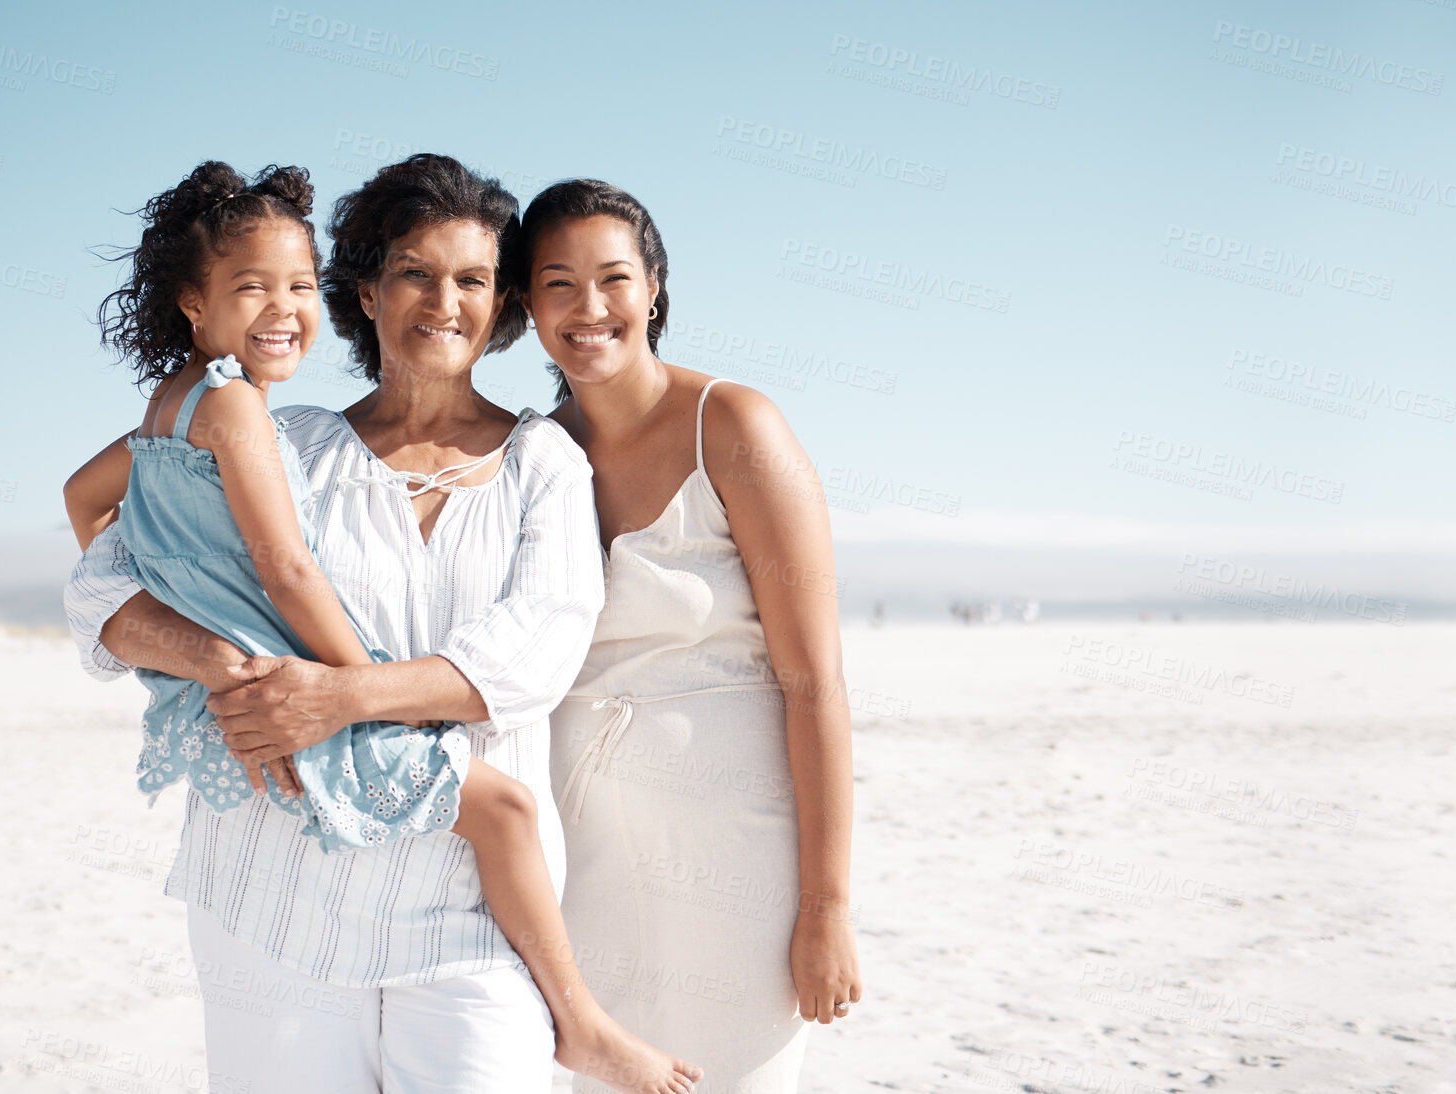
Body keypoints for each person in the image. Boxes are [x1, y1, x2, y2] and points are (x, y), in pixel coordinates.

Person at [63, 155, 693, 1092]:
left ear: (501, 301)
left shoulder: (543, 463)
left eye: (472, 279)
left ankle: (576, 1022)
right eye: (414, 273)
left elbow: (535, 653)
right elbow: (105, 580)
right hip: (272, 890)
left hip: (472, 912)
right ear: (364, 290)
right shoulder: (284, 441)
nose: (444, 300)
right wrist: (218, 663)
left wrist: (337, 697)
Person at [508, 179, 863, 1092]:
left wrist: (825, 909)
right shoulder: (531, 458)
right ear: (525, 305)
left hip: (737, 862)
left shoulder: (735, 427)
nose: (589, 309)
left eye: (613, 278)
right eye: (557, 283)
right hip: (580, 855)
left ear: (654, 288)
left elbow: (815, 683)